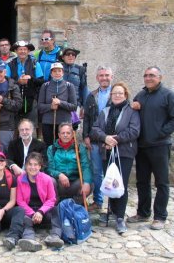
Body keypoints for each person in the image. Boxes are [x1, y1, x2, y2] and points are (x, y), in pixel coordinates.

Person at [127, 66, 174, 230]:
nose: (148, 78)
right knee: (142, 181)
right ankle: (143, 212)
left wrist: (161, 133)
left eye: (152, 75)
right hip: (142, 146)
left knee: (162, 182)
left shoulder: (168, 95)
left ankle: (160, 217)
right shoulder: (140, 95)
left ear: (160, 77)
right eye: (146, 75)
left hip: (160, 145)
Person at [90, 82, 140, 234]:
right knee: (110, 181)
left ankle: (120, 217)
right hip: (106, 151)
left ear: (125, 95)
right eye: (114, 93)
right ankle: (111, 211)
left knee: (121, 183)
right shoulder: (105, 111)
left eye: (120, 93)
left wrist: (115, 139)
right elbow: (95, 129)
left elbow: (134, 131)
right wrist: (105, 138)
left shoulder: (131, 111)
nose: (117, 95)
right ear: (111, 96)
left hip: (124, 152)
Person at [16, 152, 64, 251]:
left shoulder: (47, 179)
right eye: (30, 164)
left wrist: (40, 212)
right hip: (29, 212)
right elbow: (20, 201)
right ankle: (29, 238)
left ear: (40, 166)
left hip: (43, 211)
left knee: (56, 210)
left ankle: (55, 236)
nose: (32, 167)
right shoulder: (20, 179)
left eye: (35, 164)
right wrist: (33, 213)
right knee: (20, 213)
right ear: (26, 165)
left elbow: (52, 199)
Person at [83, 66, 113, 211]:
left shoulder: (118, 94)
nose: (104, 78)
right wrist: (85, 136)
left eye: (107, 75)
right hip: (95, 139)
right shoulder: (92, 95)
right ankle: (98, 200)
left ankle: (113, 204)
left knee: (112, 171)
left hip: (112, 140)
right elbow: (87, 118)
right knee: (96, 171)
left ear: (111, 77)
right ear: (97, 78)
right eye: (101, 75)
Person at [47, 122, 92, 203]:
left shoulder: (79, 148)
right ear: (59, 135)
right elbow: (49, 169)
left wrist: (87, 183)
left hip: (75, 182)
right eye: (63, 133)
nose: (65, 135)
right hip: (59, 184)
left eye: (68, 133)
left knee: (89, 183)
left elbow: (85, 166)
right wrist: (59, 175)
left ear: (72, 135)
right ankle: (56, 204)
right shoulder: (52, 149)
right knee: (50, 180)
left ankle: (75, 204)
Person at [38, 62, 77, 147]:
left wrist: (60, 103)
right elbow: (40, 106)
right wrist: (50, 106)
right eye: (54, 71)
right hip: (48, 123)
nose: (57, 73)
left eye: (59, 71)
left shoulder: (69, 86)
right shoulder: (45, 86)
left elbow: (74, 106)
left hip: (64, 124)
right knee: (49, 147)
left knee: (64, 147)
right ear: (51, 73)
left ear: (63, 72)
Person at [7, 40, 44, 121]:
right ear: (16, 51)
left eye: (25, 49)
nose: (22, 51)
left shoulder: (35, 63)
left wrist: (30, 78)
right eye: (20, 49)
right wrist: (18, 82)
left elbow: (41, 81)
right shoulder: (10, 64)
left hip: (31, 99)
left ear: (28, 51)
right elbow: (6, 81)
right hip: (14, 100)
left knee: (30, 127)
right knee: (15, 127)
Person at [60, 47, 88, 119]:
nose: (71, 56)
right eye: (68, 54)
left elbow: (84, 88)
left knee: (73, 127)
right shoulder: (57, 69)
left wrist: (84, 106)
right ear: (63, 57)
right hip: (60, 104)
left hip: (75, 104)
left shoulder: (80, 69)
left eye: (73, 54)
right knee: (60, 128)